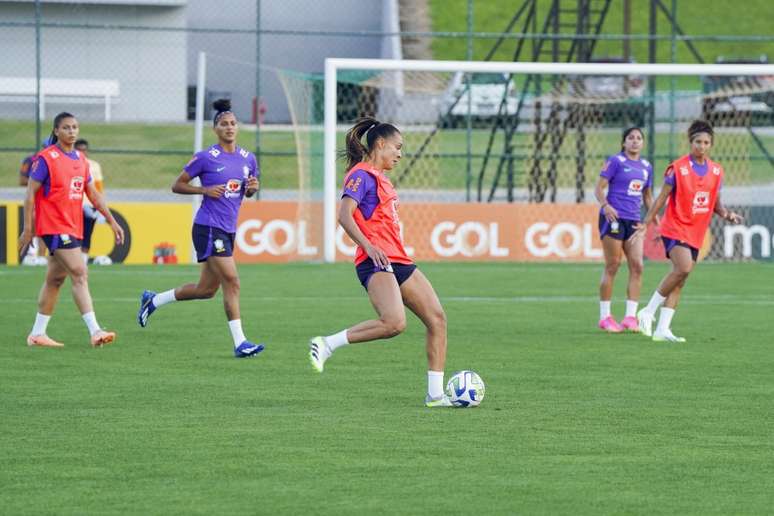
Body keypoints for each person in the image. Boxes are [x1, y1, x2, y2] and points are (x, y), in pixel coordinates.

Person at [308, 117, 451, 408]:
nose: (399, 154)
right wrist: (368, 245)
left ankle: (436, 396)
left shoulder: (382, 179)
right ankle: (327, 344)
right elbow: (344, 215)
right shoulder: (361, 175)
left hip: (398, 259)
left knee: (437, 319)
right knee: (395, 323)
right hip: (375, 259)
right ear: (381, 144)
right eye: (397, 147)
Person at [136, 99, 264, 359]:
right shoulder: (206, 158)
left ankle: (154, 300)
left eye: (233, 123)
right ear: (215, 129)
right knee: (232, 280)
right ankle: (240, 342)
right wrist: (204, 189)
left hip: (228, 228)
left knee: (206, 290)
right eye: (224, 124)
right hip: (208, 226)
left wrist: (252, 188)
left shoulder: (247, 158)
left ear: (237, 128)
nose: (229, 127)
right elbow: (177, 184)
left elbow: (248, 190)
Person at [18, 112, 125, 348]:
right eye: (66, 127)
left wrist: (111, 221)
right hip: (53, 226)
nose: (72, 131)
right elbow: (29, 195)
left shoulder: (81, 159)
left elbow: (93, 195)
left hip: (72, 225)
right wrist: (29, 229)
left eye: (75, 127)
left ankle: (37, 333)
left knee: (55, 279)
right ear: (56, 131)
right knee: (79, 272)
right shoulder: (46, 158)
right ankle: (96, 330)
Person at [634, 120, 743, 342]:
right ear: (690, 142)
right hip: (674, 227)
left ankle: (662, 329)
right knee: (683, 268)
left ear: (711, 144)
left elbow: (715, 204)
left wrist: (727, 214)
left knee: (680, 279)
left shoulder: (716, 171)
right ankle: (647, 311)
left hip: (696, 232)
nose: (701, 146)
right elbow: (662, 198)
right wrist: (646, 221)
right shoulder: (678, 168)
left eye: (706, 142)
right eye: (697, 142)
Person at [593, 127, 654, 332]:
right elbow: (599, 187)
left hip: (634, 220)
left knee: (637, 266)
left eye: (638, 138)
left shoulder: (646, 166)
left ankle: (630, 317)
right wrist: (606, 206)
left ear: (642, 143)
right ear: (624, 142)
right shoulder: (616, 161)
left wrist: (652, 217)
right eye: (631, 138)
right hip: (614, 218)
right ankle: (605, 317)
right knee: (613, 264)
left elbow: (647, 195)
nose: (635, 141)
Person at [19, 139, 53, 266]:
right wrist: (39, 179)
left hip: (49, 199)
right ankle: (31, 253)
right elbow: (22, 180)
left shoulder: (57, 161)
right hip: (34, 197)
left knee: (45, 227)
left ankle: (41, 256)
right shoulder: (31, 160)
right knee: (34, 220)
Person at [74, 138, 108, 265]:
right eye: (79, 150)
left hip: (89, 204)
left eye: (84, 150)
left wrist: (101, 207)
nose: (82, 152)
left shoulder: (94, 165)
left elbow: (99, 188)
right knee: (73, 234)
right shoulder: (69, 163)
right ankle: (73, 259)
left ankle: (83, 260)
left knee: (87, 234)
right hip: (73, 205)